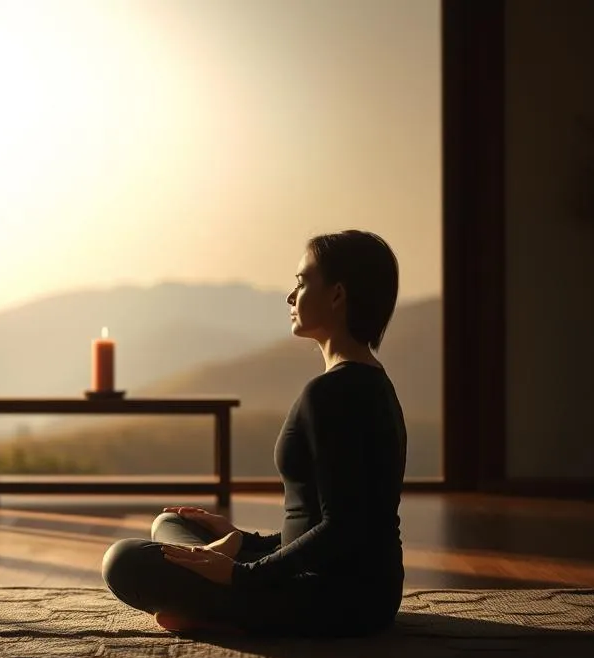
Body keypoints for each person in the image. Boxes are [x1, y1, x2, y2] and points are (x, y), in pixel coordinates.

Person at [100, 230, 407, 636]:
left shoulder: (331, 393)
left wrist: (243, 573)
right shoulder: (374, 384)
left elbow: (346, 528)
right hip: (369, 592)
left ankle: (224, 615)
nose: (291, 296)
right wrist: (244, 540)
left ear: (336, 295)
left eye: (302, 282)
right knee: (171, 523)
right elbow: (328, 519)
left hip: (333, 597)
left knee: (122, 560)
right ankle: (214, 606)